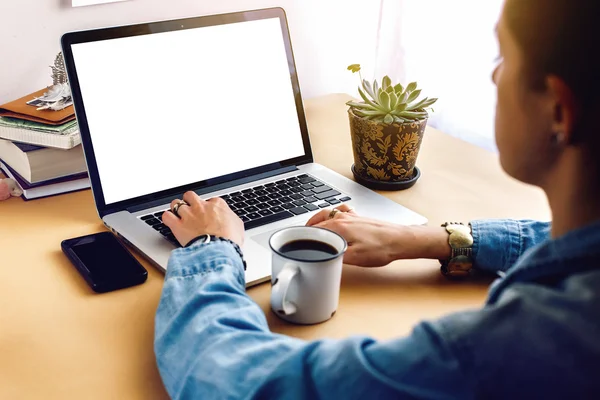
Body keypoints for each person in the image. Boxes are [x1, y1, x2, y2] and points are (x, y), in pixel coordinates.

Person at [154, 0, 600, 398]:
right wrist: (426, 240)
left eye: (502, 55)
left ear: (559, 110)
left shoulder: (504, 350)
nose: (494, 75)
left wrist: (209, 249)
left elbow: (238, 381)